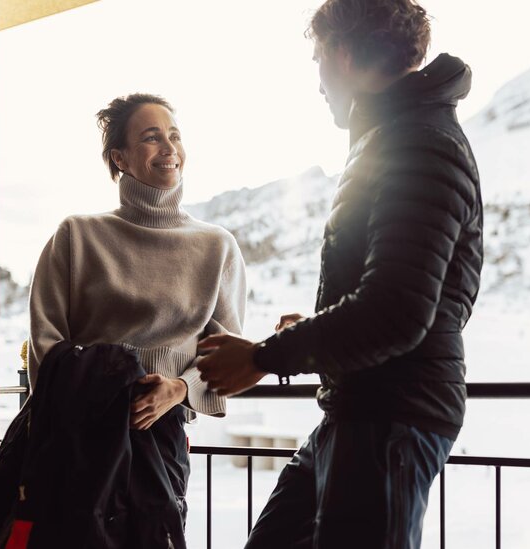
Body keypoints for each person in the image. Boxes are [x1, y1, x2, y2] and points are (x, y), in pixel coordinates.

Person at [196, 0, 483, 547]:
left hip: (390, 417)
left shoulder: (420, 145)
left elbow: (399, 312)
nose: (319, 82)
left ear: (344, 54)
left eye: (317, 59)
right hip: (359, 409)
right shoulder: (400, 137)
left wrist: (261, 358)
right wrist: (324, 327)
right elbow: (425, 295)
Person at [28, 93, 246, 531]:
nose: (169, 148)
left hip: (160, 438)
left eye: (174, 135)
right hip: (80, 438)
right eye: (151, 137)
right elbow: (45, 346)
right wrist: (99, 397)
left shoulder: (216, 245)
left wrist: (180, 389)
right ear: (120, 158)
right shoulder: (77, 235)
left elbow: (227, 354)